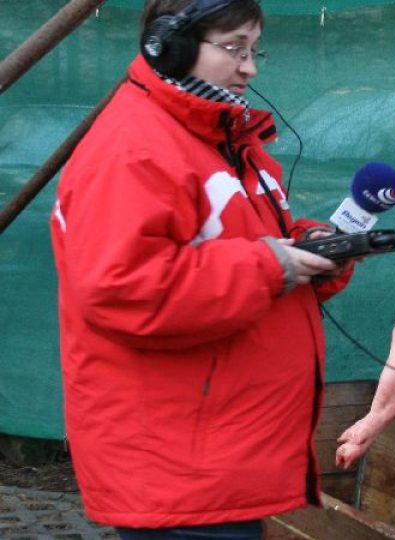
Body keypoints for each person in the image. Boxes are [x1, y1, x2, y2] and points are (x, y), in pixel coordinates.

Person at [49, 1, 354, 537]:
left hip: (212, 464)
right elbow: (122, 288)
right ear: (170, 46)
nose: (250, 68)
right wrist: (270, 264)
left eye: (254, 50)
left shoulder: (222, 141)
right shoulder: (133, 148)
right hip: (177, 472)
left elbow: (240, 255)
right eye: (234, 48)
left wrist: (310, 254)